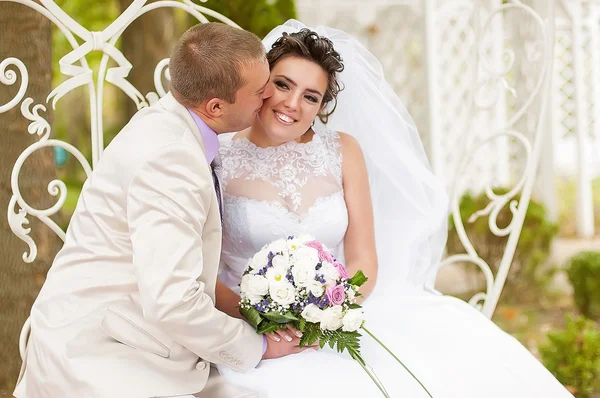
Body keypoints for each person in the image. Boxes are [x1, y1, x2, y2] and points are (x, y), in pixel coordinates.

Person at [214, 20, 574, 398]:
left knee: (459, 364)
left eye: (311, 96)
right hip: (250, 327)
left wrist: (328, 314)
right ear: (261, 83)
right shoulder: (219, 156)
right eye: (283, 84)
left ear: (322, 106)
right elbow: (201, 270)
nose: (292, 104)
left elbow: (363, 259)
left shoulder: (342, 150)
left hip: (335, 317)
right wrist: (263, 320)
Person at [13, 22, 312, 398]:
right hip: (96, 352)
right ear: (216, 106)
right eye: (259, 90)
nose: (269, 95)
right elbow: (174, 303)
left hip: (128, 323)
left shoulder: (178, 123)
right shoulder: (171, 161)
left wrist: (254, 314)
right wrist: (262, 347)